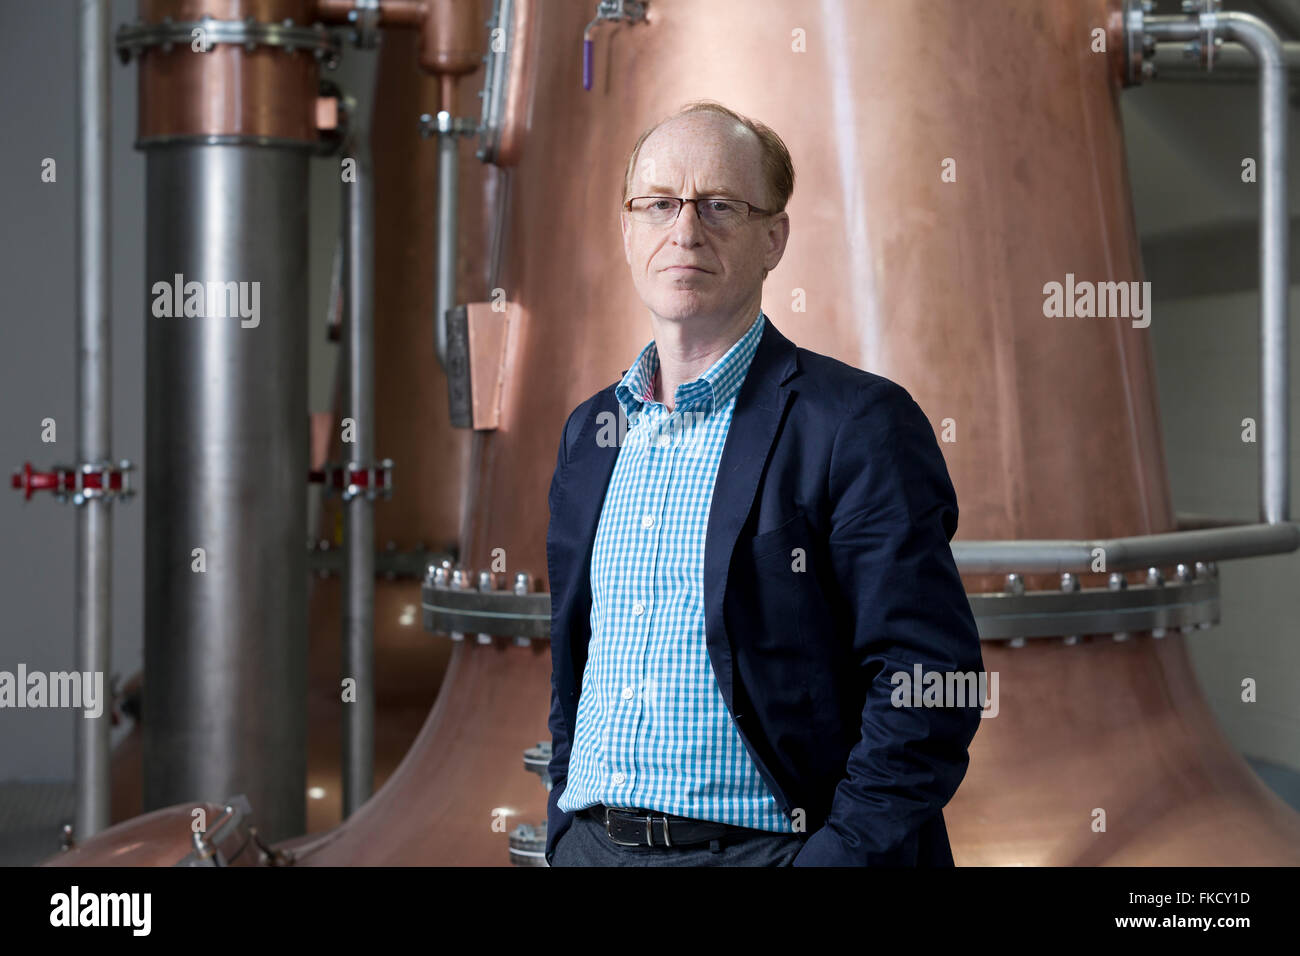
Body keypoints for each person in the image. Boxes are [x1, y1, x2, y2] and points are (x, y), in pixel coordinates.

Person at [544, 100, 984, 866]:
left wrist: (840, 856)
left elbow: (930, 680)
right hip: (593, 847)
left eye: (720, 205)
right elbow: (575, 663)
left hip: (766, 852)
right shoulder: (592, 433)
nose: (685, 231)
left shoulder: (855, 424)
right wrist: (563, 828)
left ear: (774, 237)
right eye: (659, 205)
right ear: (628, 231)